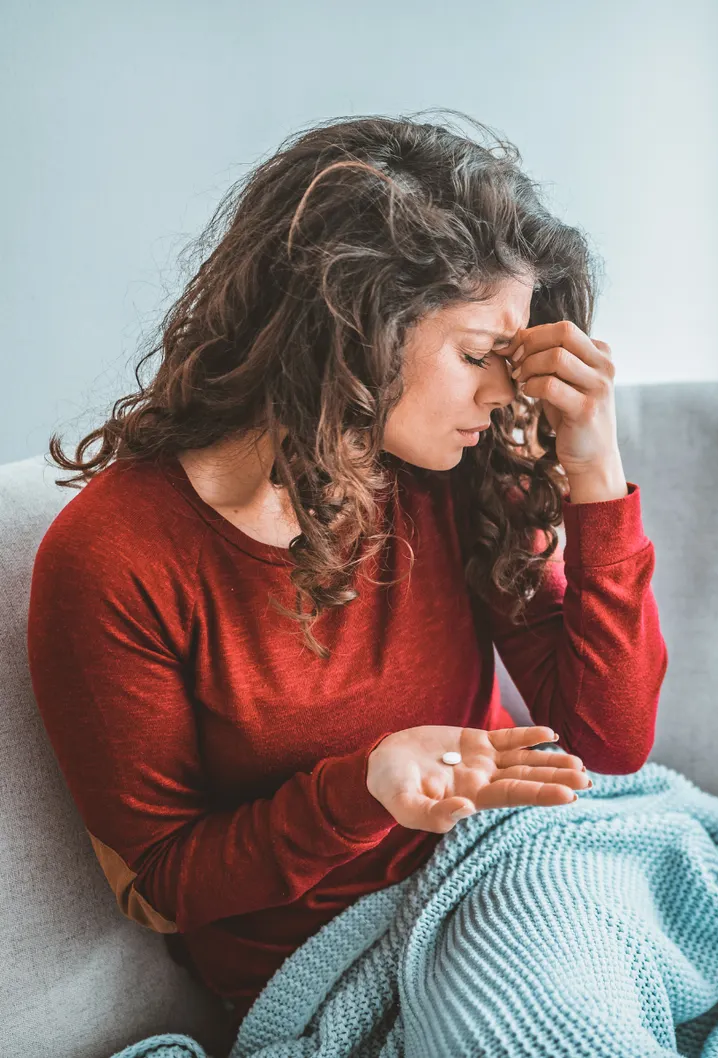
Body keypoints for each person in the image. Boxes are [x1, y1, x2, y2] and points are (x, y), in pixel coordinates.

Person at [25, 109, 668, 1044]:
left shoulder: (457, 478)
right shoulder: (118, 558)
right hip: (321, 966)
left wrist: (596, 477)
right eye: (480, 356)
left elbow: (611, 740)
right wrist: (360, 790)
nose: (501, 396)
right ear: (353, 325)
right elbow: (162, 883)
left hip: (516, 864)